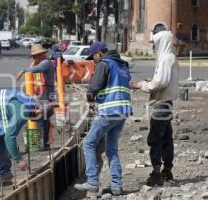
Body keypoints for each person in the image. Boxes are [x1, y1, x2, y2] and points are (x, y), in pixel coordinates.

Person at [74, 42, 132, 196]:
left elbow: (95, 87)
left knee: (88, 143)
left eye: (93, 57)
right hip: (123, 112)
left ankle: (92, 182)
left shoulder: (104, 64)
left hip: (109, 111)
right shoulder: (123, 66)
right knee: (111, 148)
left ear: (99, 53)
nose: (94, 60)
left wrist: (89, 95)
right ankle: (116, 186)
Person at [130, 30, 179, 186]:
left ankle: (157, 173)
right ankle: (167, 171)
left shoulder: (166, 59)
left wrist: (141, 85)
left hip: (161, 104)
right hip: (167, 103)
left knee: (155, 139)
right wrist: (152, 81)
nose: (155, 47)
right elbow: (163, 80)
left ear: (162, 43)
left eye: (156, 44)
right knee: (166, 138)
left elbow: (161, 83)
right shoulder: (171, 58)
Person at [16, 44, 55, 149]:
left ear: (40, 55)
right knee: (44, 118)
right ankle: (45, 143)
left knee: (39, 117)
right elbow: (34, 69)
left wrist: (23, 70)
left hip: (46, 94)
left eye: (34, 56)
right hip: (44, 94)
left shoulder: (45, 63)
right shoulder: (43, 62)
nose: (33, 59)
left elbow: (34, 69)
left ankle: (40, 143)